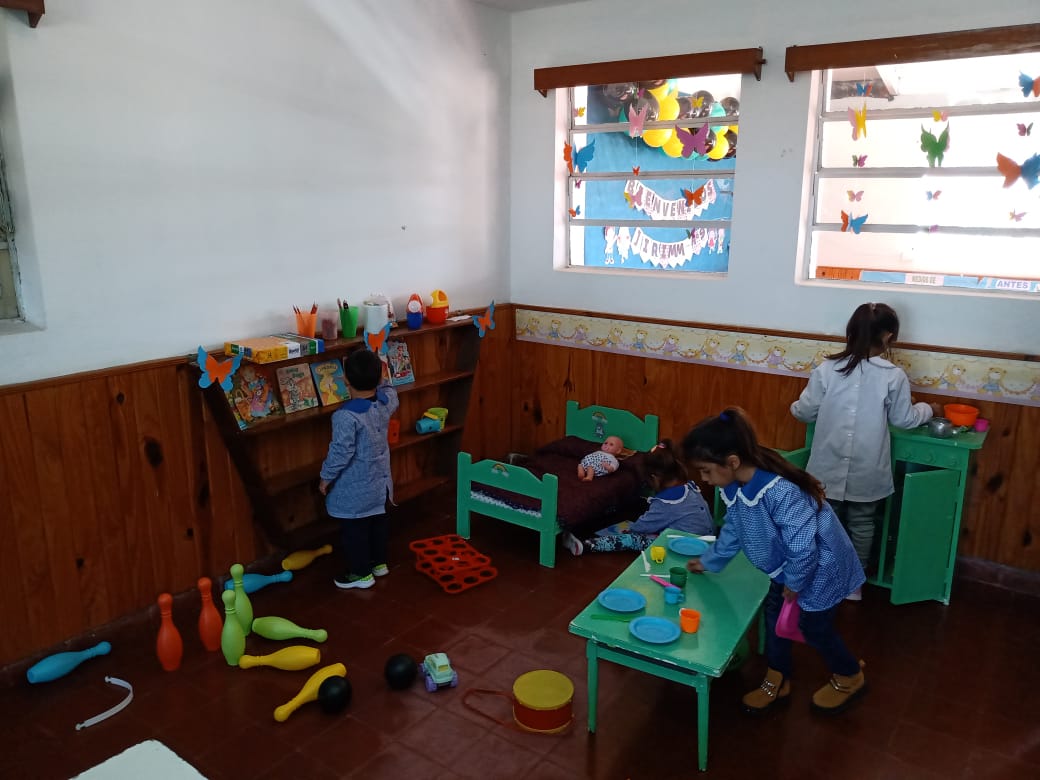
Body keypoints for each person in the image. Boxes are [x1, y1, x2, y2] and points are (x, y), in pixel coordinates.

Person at [682, 408, 866, 715]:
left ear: (732, 462)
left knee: (814, 627)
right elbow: (734, 527)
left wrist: (794, 582)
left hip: (820, 568)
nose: (704, 479)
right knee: (775, 621)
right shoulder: (735, 486)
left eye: (706, 471)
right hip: (790, 568)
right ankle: (778, 678)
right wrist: (710, 561)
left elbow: (803, 548)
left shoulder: (781, 491)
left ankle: (850, 675)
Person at [790, 302, 941, 600]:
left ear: (851, 332)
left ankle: (820, 574)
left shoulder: (827, 369)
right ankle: (854, 584)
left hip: (827, 465)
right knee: (862, 523)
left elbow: (804, 412)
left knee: (825, 520)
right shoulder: (893, 376)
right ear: (887, 336)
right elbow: (904, 419)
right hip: (867, 467)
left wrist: (795, 406)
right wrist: (929, 410)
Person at [319, 349, 399, 590]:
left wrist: (325, 478)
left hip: (356, 490)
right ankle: (379, 564)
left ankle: (361, 574)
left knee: (355, 531)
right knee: (378, 524)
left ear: (345, 380)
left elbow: (340, 452)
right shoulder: (386, 403)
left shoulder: (345, 416)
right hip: (380, 485)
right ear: (378, 377)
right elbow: (390, 390)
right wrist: (380, 376)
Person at [563, 440, 714, 555]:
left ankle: (587, 545)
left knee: (632, 540)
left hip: (686, 545)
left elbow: (645, 525)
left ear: (655, 477)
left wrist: (632, 530)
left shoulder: (666, 502)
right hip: (708, 538)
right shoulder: (689, 487)